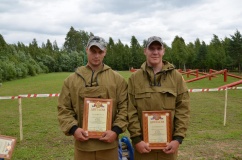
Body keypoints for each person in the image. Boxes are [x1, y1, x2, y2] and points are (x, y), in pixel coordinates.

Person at [57, 36, 128, 160]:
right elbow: (64, 109)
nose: (96, 55)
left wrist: (115, 131)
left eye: (100, 52)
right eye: (93, 51)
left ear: (105, 52)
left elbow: (125, 107)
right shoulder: (71, 81)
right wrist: (74, 129)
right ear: (86, 50)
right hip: (83, 147)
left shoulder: (117, 80)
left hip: (109, 147)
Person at [127, 36, 190, 160]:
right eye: (151, 48)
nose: (155, 52)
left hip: (168, 147)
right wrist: (137, 139)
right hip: (143, 147)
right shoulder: (134, 79)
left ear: (163, 51)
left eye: (158, 48)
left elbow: (183, 109)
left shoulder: (176, 77)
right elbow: (130, 110)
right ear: (145, 51)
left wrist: (178, 138)